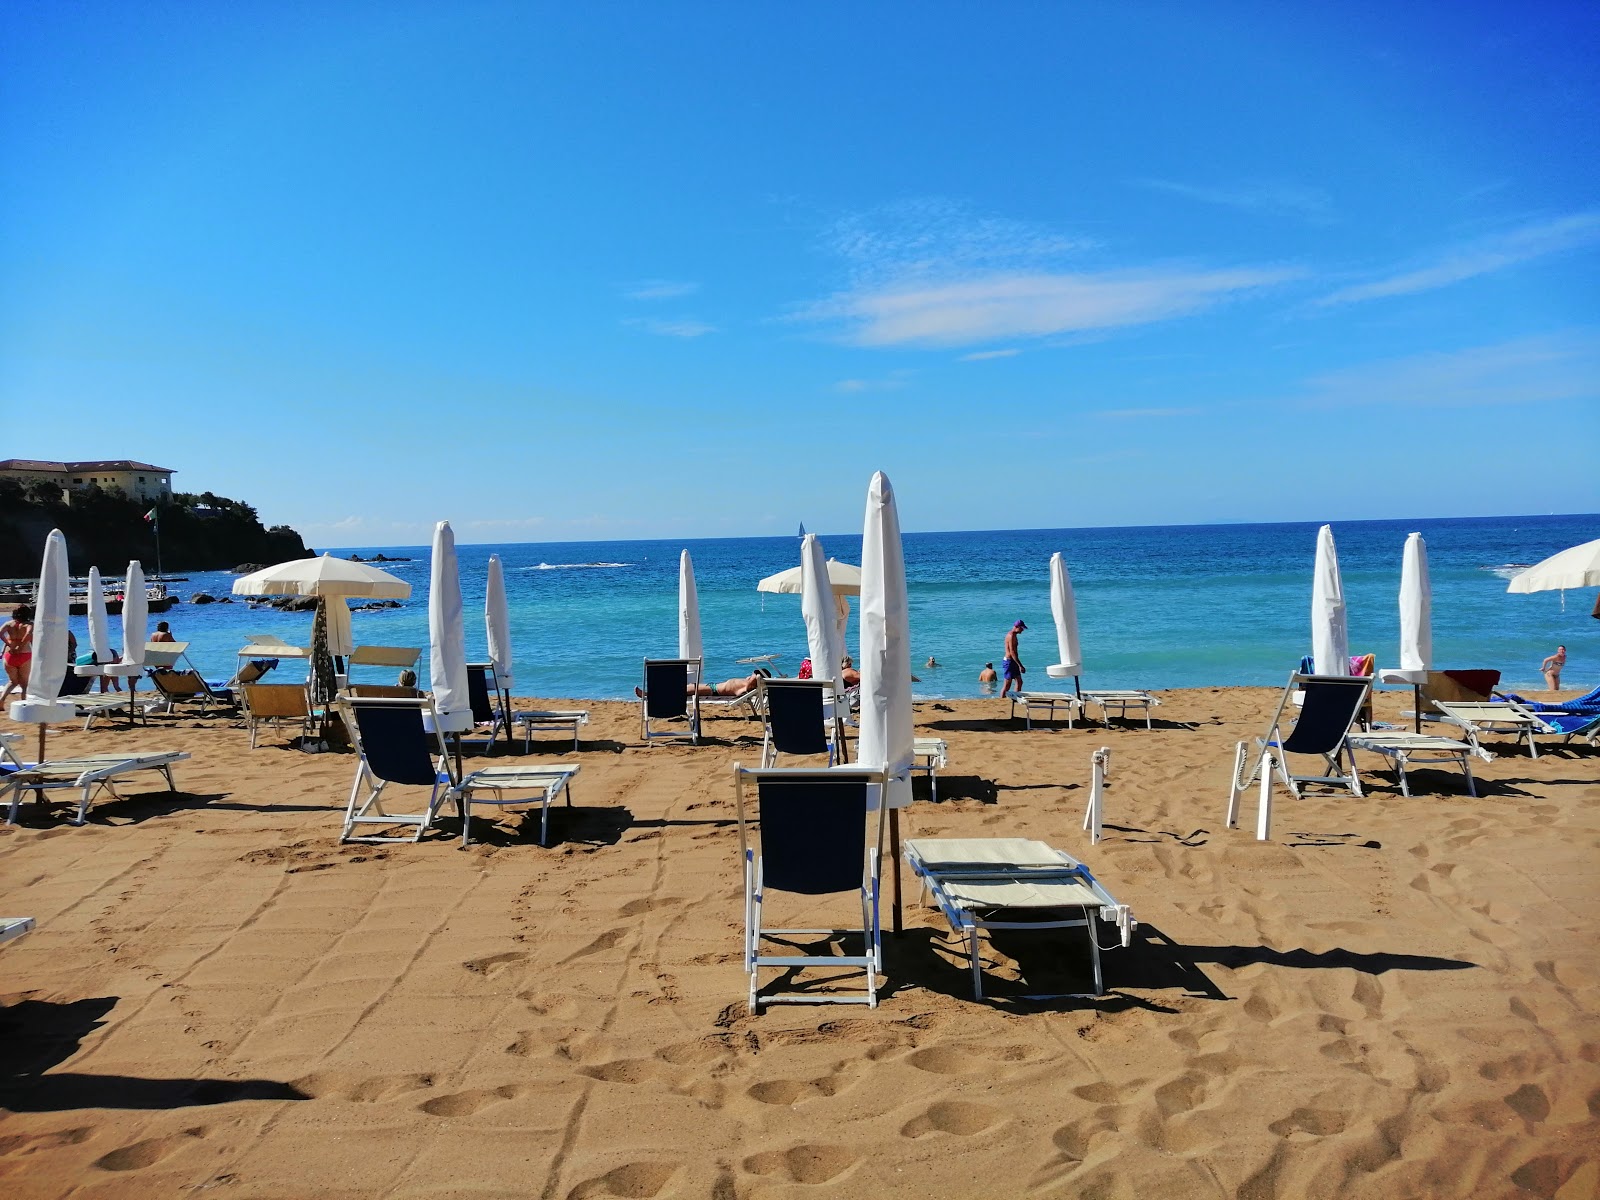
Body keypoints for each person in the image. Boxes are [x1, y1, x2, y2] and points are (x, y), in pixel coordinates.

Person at [1, 604, 33, 707]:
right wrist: (21, 646)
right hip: (24, 655)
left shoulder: (9, 624)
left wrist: (9, 644)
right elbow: (28, 634)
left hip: (9, 655)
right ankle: (24, 705)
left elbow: (0, 633)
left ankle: (1, 701)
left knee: (12, 681)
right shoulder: (28, 624)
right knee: (24, 683)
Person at [1000, 620, 1027, 699]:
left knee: (1019, 681)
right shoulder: (1011, 636)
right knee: (1007, 684)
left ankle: (1016, 698)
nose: (1022, 630)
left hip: (1013, 661)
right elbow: (1012, 652)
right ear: (1017, 627)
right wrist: (1020, 665)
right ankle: (1002, 700)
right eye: (1021, 628)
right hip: (1009, 661)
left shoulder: (1014, 635)